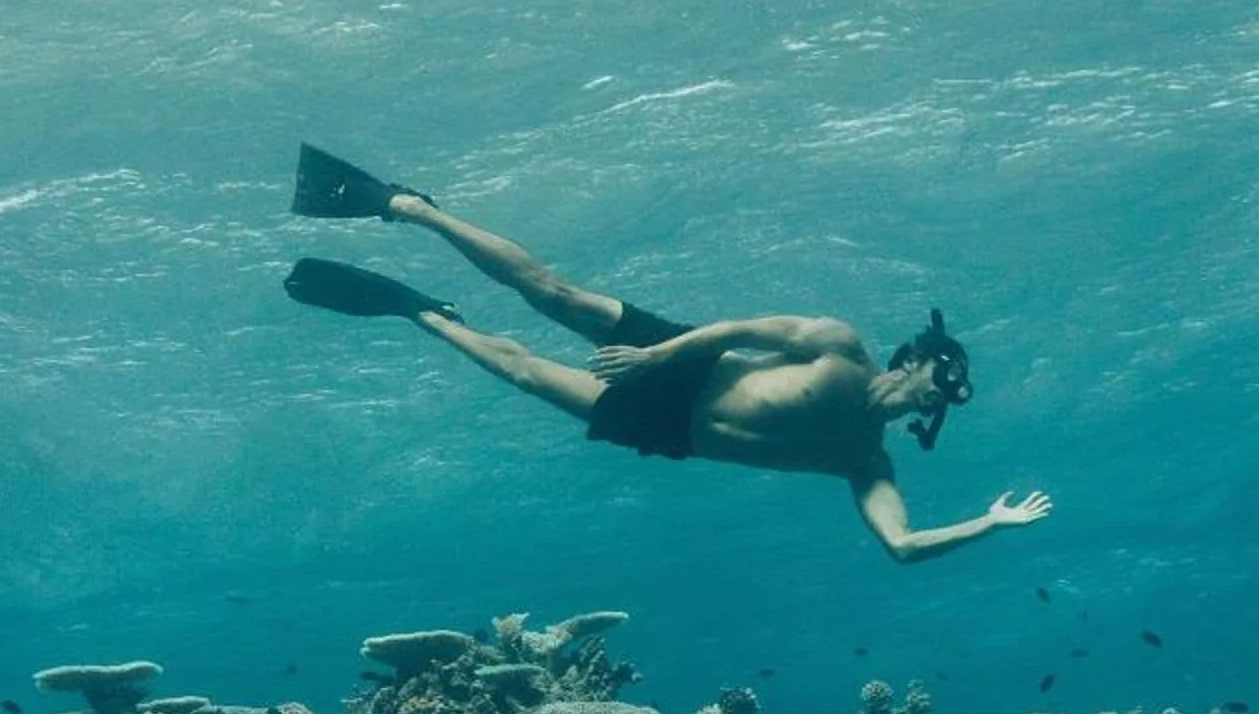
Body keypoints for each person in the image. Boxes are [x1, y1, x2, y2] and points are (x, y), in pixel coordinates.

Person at [280, 144, 1053, 564]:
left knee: (517, 369)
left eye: (945, 400)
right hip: (686, 362)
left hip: (672, 433)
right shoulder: (838, 346)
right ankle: (409, 208)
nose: (934, 399)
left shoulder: (867, 463)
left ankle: (419, 311)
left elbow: (903, 547)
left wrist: (989, 522)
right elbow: (733, 330)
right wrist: (653, 358)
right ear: (912, 359)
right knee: (556, 296)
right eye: (936, 380)